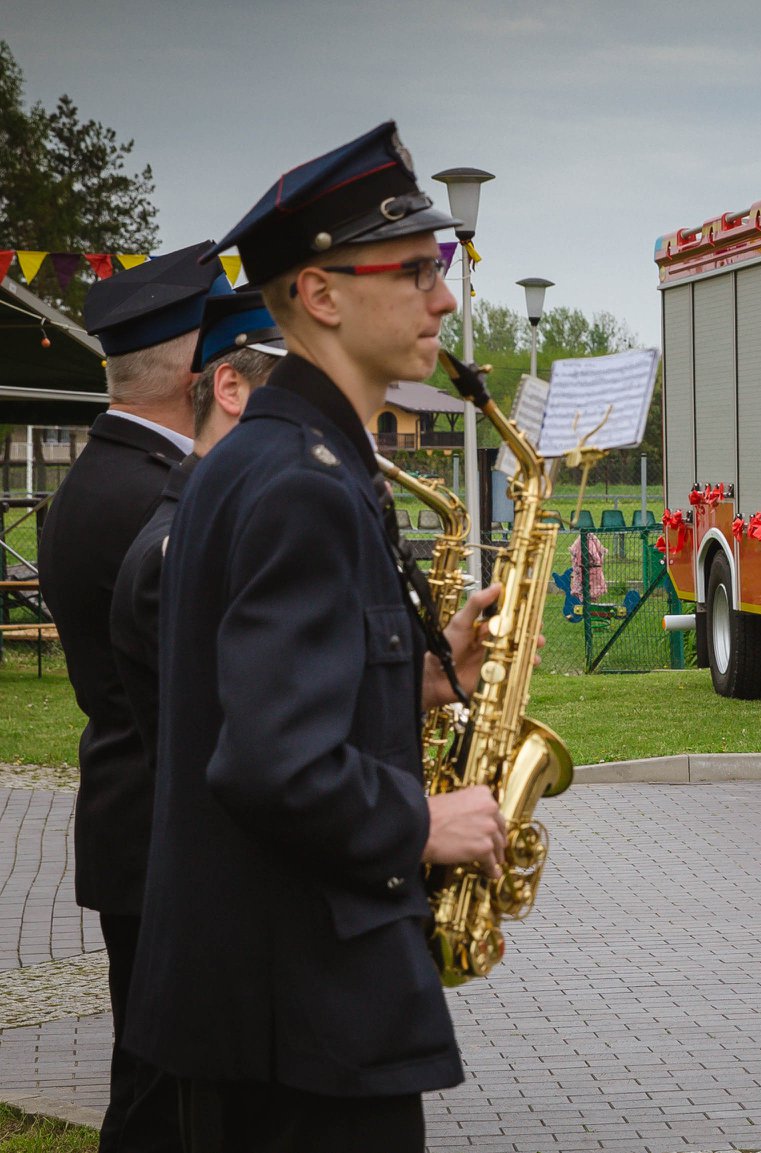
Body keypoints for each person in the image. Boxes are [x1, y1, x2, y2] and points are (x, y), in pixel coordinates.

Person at [124, 121, 507, 1152]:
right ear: (321, 294)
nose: (443, 297)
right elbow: (271, 762)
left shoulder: (260, 460)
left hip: (265, 1013)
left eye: (440, 264)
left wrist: (416, 681)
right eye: (416, 269)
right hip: (303, 1023)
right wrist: (421, 821)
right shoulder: (303, 484)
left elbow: (243, 697)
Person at [36, 241, 228, 1153]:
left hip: (130, 808)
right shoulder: (156, 495)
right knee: (161, 1105)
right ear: (197, 372)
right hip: (164, 820)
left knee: (158, 1085)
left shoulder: (95, 477)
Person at [110, 288, 283, 800]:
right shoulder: (181, 550)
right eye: (302, 396)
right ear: (230, 389)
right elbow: (259, 748)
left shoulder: (220, 526)